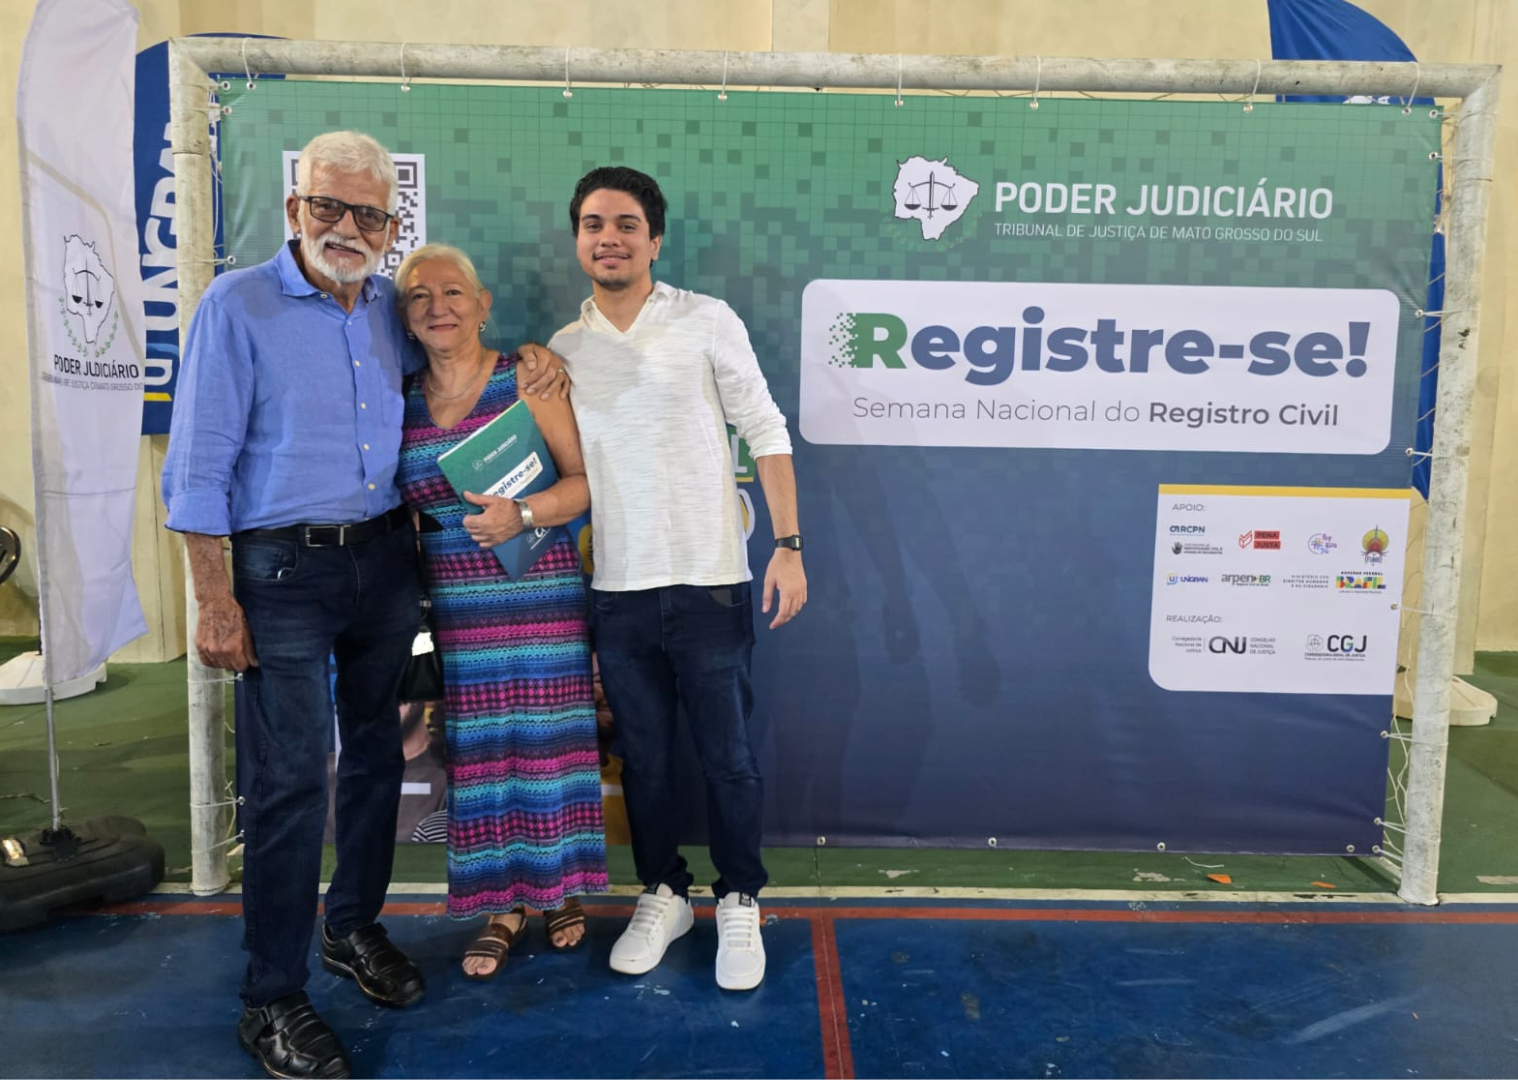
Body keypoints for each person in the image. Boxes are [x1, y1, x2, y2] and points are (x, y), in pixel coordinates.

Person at [163, 131, 423, 1080]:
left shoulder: (392, 307)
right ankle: (270, 997)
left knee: (378, 759)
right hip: (279, 576)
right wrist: (213, 598)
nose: (346, 227)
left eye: (367, 214)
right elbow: (197, 467)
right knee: (289, 783)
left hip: (385, 562)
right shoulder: (237, 304)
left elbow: (462, 361)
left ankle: (350, 928)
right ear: (293, 208)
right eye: (328, 206)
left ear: (391, 226)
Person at [548, 166, 808, 992]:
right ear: (578, 240)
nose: (610, 238)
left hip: (709, 583)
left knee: (728, 760)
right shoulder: (563, 351)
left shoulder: (706, 320)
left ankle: (739, 897)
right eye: (594, 224)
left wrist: (789, 544)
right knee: (646, 762)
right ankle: (663, 892)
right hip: (618, 590)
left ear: (654, 240)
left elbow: (765, 426)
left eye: (627, 224)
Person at [393, 242, 607, 980]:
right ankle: (503, 906)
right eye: (420, 296)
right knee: (480, 753)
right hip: (456, 606)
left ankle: (561, 890)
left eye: (453, 291)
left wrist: (524, 513)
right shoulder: (397, 397)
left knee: (548, 744)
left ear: (482, 305)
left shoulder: (527, 378)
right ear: (405, 316)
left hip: (540, 590)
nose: (438, 307)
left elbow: (584, 483)